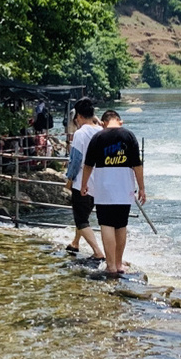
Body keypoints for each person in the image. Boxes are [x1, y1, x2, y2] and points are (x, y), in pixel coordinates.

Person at [80, 108, 146, 278]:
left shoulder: (98, 137)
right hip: (124, 188)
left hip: (103, 188)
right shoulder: (129, 136)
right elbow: (137, 165)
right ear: (120, 121)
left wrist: (84, 184)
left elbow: (88, 165)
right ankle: (118, 263)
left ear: (103, 123)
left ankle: (110, 266)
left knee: (106, 225)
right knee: (121, 225)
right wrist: (142, 188)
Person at [65, 99, 104, 262]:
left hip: (83, 181)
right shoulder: (101, 131)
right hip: (100, 181)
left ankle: (98, 252)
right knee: (84, 215)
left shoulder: (80, 133)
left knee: (81, 219)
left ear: (79, 116)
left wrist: (69, 178)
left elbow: (75, 160)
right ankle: (75, 243)